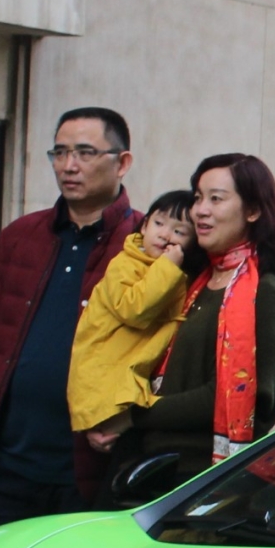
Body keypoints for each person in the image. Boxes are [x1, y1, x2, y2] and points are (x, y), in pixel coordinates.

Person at [0, 107, 144, 533]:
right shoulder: (21, 236)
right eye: (59, 153)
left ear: (122, 162)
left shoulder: (146, 244)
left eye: (84, 152)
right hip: (3, 468)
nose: (68, 166)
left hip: (87, 471)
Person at [103, 155, 275, 487]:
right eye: (197, 198)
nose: (200, 210)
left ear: (252, 211)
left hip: (202, 479)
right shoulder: (192, 279)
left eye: (216, 199)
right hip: (150, 463)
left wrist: (133, 416)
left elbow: (239, 397)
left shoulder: (264, 291)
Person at [69, 189, 195, 444]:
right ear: (144, 224)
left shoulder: (170, 270)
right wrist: (168, 267)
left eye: (179, 231)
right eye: (158, 223)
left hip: (125, 375)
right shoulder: (125, 263)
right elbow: (133, 309)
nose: (165, 234)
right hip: (103, 373)